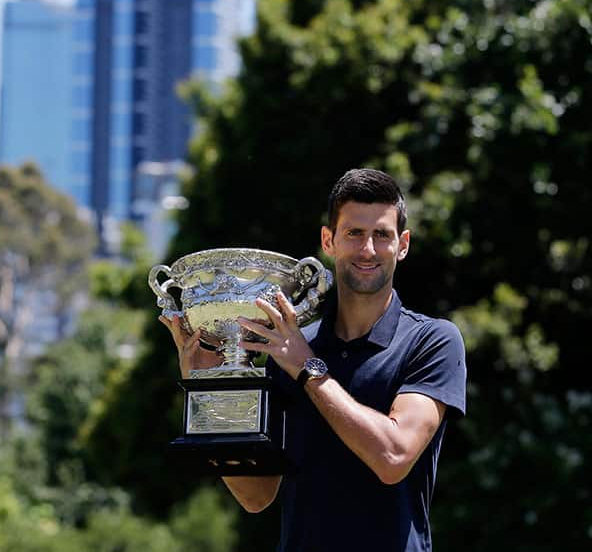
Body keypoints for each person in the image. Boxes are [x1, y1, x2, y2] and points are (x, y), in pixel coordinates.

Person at [160, 168, 467, 552]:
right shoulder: (287, 345)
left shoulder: (432, 340)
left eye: (382, 235)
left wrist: (309, 369)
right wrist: (207, 393)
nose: (368, 249)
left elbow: (393, 457)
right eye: (354, 233)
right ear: (329, 240)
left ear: (402, 244)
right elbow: (256, 495)